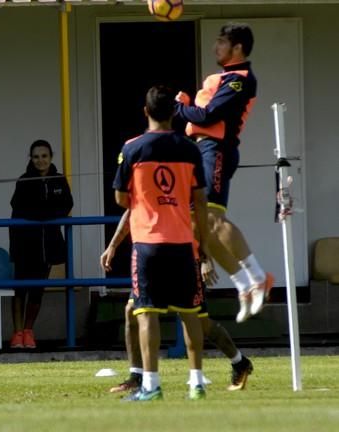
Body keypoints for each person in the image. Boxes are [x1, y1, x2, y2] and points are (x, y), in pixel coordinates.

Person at [112, 85, 212, 401]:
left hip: (147, 244)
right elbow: (200, 200)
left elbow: (121, 199)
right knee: (190, 313)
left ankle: (151, 385)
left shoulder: (131, 149)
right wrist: (204, 247)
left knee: (147, 313)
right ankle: (196, 383)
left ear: (146, 112)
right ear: (173, 113)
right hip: (183, 242)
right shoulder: (190, 149)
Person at [175, 23, 273, 323]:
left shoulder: (240, 80)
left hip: (216, 150)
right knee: (195, 223)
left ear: (237, 48)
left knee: (213, 219)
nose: (215, 48)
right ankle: (243, 285)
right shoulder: (223, 78)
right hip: (202, 150)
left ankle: (258, 277)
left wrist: (179, 108)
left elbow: (207, 116)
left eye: (221, 42)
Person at [100, 210, 254, 393]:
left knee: (198, 321)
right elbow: (131, 210)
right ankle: (136, 376)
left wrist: (205, 258)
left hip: (184, 257)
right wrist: (113, 245)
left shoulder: (184, 184)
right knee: (132, 311)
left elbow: (202, 217)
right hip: (151, 255)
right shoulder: (140, 184)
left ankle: (238, 362)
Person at [8, 140, 73, 349]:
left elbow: (66, 205)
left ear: (51, 157)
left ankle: (28, 331)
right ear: (31, 158)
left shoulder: (59, 179)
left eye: (44, 156)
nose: (40, 160)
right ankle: (17, 333)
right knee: (20, 290)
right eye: (36, 157)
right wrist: (43, 213)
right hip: (24, 244)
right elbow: (21, 209)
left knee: (37, 291)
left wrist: (46, 213)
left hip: (48, 245)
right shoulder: (24, 180)